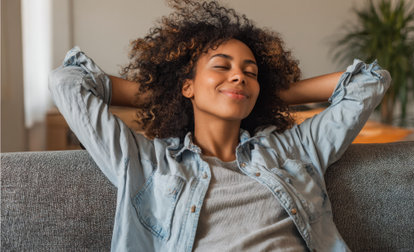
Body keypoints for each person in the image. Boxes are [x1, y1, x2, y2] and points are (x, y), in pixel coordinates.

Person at [49, 0, 391, 251]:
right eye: (221, 67)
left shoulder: (293, 151)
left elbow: (370, 82)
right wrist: (167, 93)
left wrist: (269, 93)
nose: (239, 75)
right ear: (188, 85)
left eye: (251, 72)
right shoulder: (147, 163)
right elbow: (68, 81)